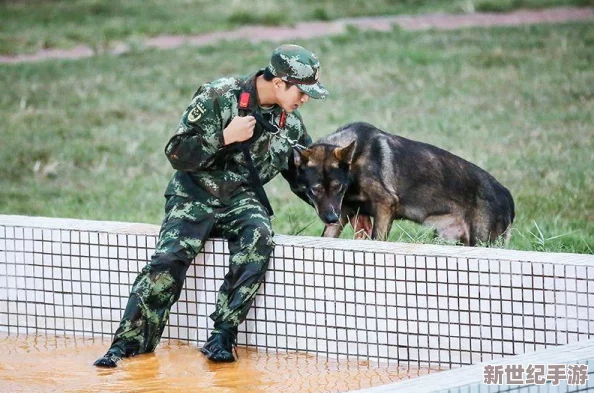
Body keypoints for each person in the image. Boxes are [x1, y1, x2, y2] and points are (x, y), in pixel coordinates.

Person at [93, 44, 328, 367]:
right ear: (278, 84)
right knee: (169, 259)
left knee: (259, 236)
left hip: (240, 198)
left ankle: (222, 336)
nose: (305, 100)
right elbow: (176, 153)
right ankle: (128, 345)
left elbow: (306, 176)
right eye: (302, 92)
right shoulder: (219, 95)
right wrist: (223, 137)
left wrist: (342, 213)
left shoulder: (290, 124)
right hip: (195, 193)